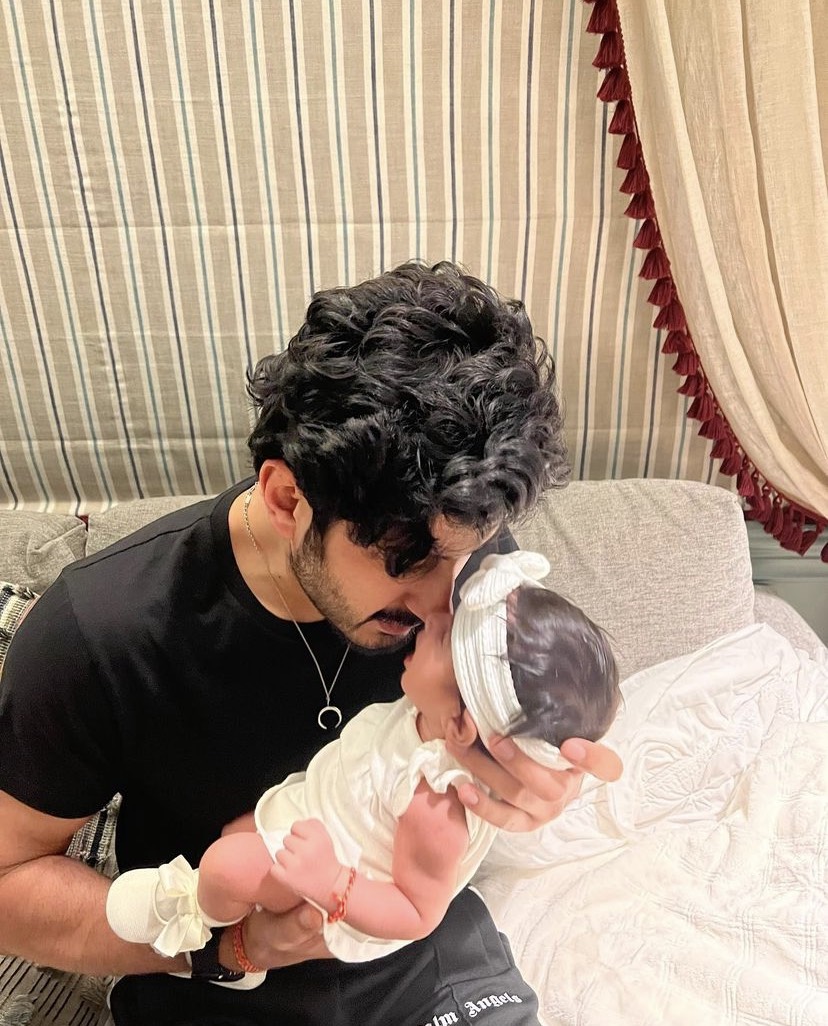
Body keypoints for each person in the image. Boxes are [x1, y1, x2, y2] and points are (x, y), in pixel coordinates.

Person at [0, 261, 622, 1026]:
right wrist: (231, 948)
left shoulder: (470, 572)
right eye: (407, 560)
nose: (444, 605)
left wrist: (535, 785)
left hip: (424, 960)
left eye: (467, 555)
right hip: (212, 975)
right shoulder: (100, 631)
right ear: (287, 497)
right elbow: (9, 881)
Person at [105, 550, 620, 971]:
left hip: (339, 877)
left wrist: (330, 881)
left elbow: (418, 912)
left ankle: (188, 915)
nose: (433, 617)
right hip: (318, 814)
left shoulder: (436, 805)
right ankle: (227, 918)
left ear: (463, 723)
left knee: (227, 866)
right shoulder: (429, 711)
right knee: (234, 833)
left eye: (446, 637)